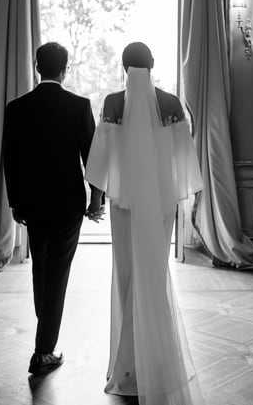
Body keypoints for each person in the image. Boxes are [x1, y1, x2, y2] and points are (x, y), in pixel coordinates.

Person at [85, 42, 204, 405]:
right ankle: (155, 363)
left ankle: (128, 368)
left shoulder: (112, 103)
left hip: (124, 205)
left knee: (126, 277)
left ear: (123, 67)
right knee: (151, 277)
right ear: (153, 66)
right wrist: (180, 198)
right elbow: (185, 158)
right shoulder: (171, 104)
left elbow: (101, 157)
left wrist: (95, 199)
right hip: (160, 204)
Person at [2, 42, 105, 376]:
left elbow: (11, 160)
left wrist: (15, 202)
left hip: (32, 202)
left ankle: (44, 336)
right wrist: (96, 199)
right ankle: (43, 351)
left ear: (36, 67)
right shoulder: (78, 105)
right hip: (68, 201)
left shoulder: (17, 107)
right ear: (65, 69)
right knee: (57, 273)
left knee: (41, 269)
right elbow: (92, 156)